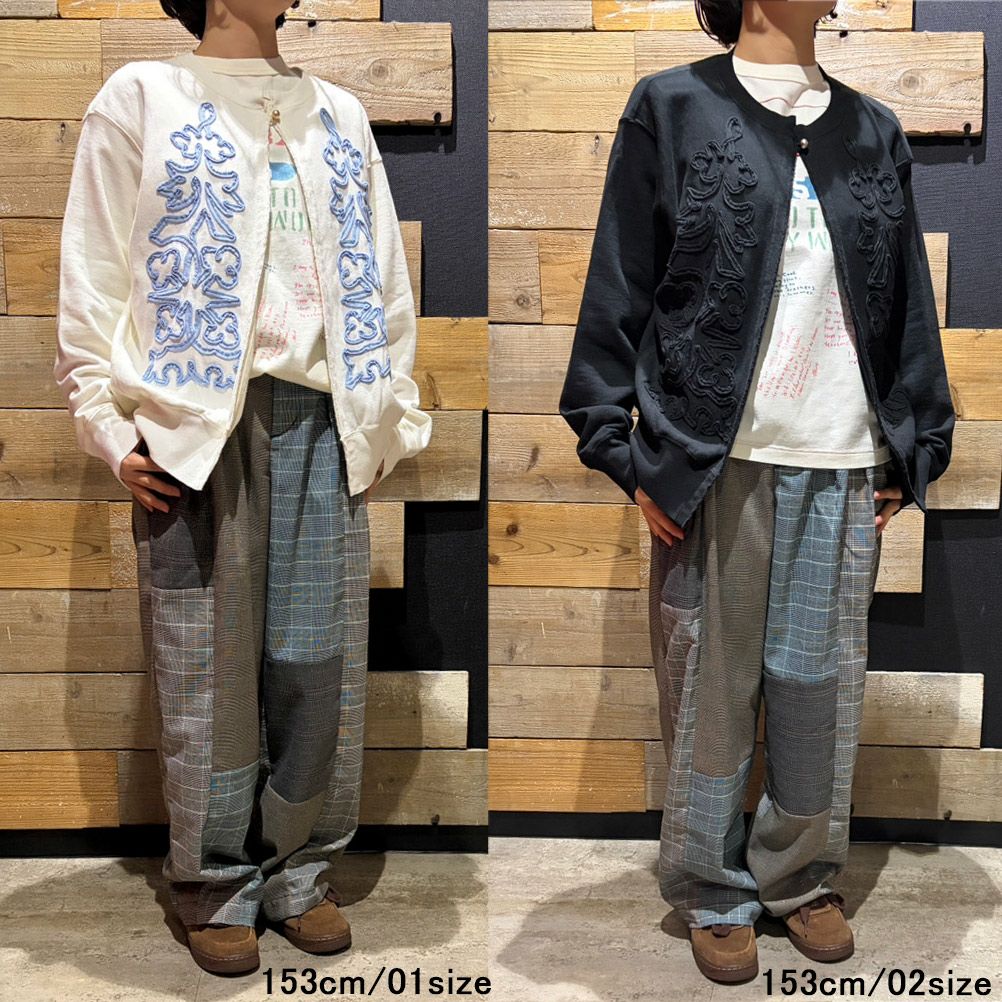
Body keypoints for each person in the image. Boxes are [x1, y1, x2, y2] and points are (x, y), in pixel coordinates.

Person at [559, 0, 954, 984]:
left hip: (842, 455)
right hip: (714, 462)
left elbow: (906, 298)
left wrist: (912, 445)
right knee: (711, 690)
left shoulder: (873, 129)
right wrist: (620, 446)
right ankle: (711, 887)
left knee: (818, 690)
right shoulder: (671, 107)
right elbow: (622, 279)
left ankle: (801, 877)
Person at [53, 0, 431, 976]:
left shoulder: (339, 113)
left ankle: (300, 872)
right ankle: (215, 882)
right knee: (204, 668)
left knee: (316, 665)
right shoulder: (141, 98)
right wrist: (108, 426)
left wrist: (384, 413)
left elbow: (383, 278)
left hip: (322, 421)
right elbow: (94, 272)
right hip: (194, 433)